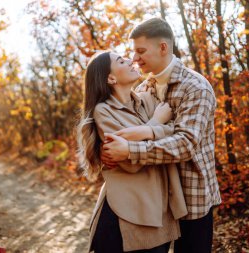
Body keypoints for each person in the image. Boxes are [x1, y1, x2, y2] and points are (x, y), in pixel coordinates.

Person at [101, 18, 222, 253]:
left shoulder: (196, 87)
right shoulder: (143, 88)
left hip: (191, 198)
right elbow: (122, 126)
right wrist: (106, 150)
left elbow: (186, 144)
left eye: (141, 51)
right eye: (133, 52)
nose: (135, 58)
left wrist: (129, 150)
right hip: (156, 201)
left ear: (163, 48)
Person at [77, 51, 187, 253]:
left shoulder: (147, 100)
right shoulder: (104, 110)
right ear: (111, 78)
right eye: (120, 60)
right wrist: (156, 123)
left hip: (159, 209)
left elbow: (174, 131)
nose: (130, 60)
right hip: (126, 213)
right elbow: (131, 162)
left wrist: (145, 133)